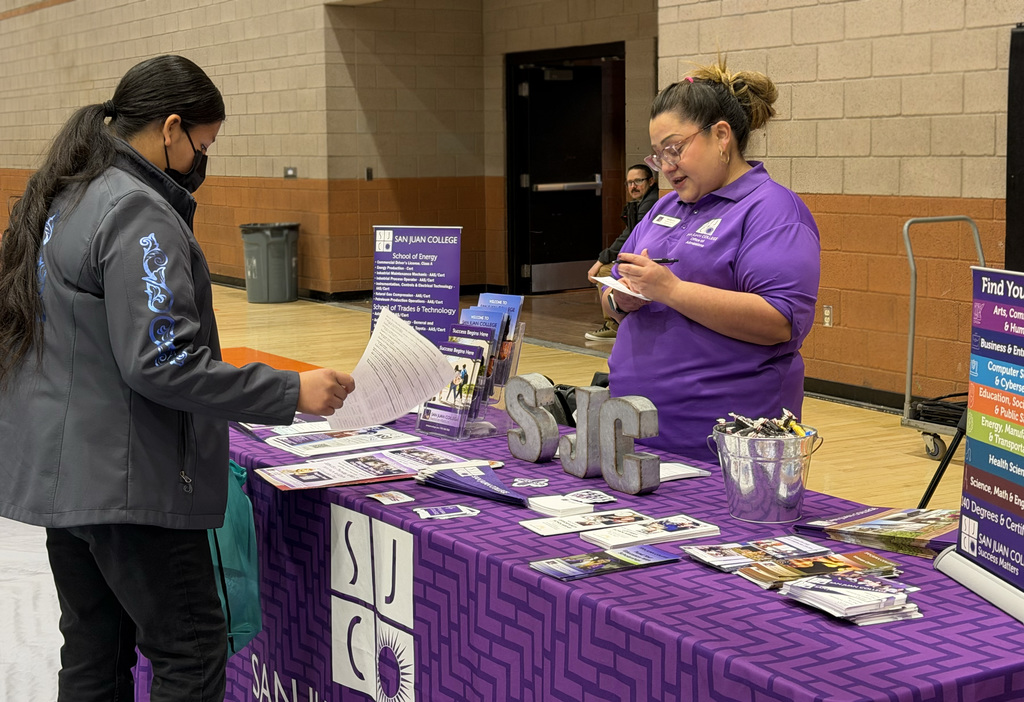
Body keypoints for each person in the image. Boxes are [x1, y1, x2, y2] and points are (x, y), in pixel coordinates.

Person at [0, 55, 356, 701]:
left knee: (94, 651)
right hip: (128, 485)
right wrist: (288, 391)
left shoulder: (67, 196)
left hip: (68, 484)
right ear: (170, 129)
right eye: (204, 144)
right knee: (188, 653)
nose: (203, 159)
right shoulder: (137, 212)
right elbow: (162, 360)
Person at [604, 60, 820, 459]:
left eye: (674, 149)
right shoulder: (664, 208)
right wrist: (620, 299)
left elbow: (780, 321)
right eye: (657, 156)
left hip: (721, 444)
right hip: (636, 432)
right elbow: (614, 288)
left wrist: (672, 291)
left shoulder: (772, 210)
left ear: (721, 136)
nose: (666, 166)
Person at [584, 164, 659, 341]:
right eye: (629, 183)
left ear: (651, 181)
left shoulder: (651, 202)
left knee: (605, 271)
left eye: (638, 181)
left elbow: (630, 236)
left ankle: (614, 325)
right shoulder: (642, 201)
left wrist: (602, 259)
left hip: (649, 261)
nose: (633, 186)